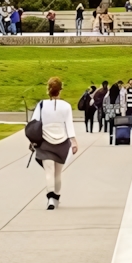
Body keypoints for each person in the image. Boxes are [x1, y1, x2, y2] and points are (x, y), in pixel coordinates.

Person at [29, 77, 78, 210]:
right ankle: (56, 197)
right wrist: (73, 141)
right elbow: (69, 125)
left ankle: (50, 198)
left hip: (45, 142)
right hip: (62, 143)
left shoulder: (41, 105)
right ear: (60, 90)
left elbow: (33, 124)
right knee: (58, 173)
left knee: (49, 172)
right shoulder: (66, 106)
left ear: (48, 90)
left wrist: (32, 141)